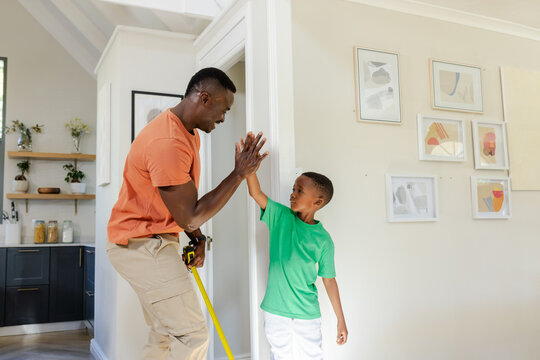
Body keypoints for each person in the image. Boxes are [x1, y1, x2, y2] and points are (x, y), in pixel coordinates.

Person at [107, 67, 268, 360]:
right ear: (204, 97)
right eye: (224, 109)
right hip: (140, 245)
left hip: (150, 239)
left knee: (164, 333)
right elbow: (189, 216)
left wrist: (197, 237)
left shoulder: (185, 132)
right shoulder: (168, 142)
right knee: (192, 335)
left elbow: (180, 208)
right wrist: (239, 173)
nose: (223, 118)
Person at [246, 167, 348, 359]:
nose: (292, 194)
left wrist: (340, 320)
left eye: (299, 191)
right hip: (275, 311)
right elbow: (255, 193)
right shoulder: (280, 217)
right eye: (293, 189)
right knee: (280, 356)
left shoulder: (324, 240)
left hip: (307, 314)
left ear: (318, 202)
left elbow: (329, 280)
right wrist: (250, 168)